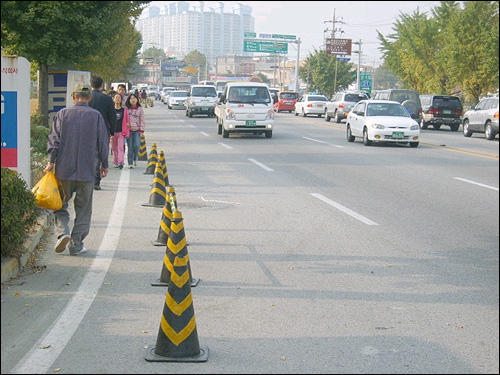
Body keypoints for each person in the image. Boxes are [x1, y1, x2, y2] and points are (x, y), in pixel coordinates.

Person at [46, 82, 109, 256]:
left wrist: (51, 161)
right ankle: (76, 244)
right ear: (89, 97)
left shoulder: (63, 114)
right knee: (84, 208)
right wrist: (104, 163)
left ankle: (62, 232)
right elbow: (103, 142)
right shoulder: (96, 116)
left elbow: (54, 140)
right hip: (87, 171)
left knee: (60, 205)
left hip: (63, 170)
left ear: (73, 96)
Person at [89, 75, 116, 190]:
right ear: (102, 85)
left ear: (91, 85)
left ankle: (87, 179)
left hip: (87, 129)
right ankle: (96, 181)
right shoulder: (107, 99)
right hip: (102, 129)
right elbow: (112, 116)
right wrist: (112, 131)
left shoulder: (87, 98)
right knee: (99, 154)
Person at [125, 93, 145, 169]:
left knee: (136, 146)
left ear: (137, 100)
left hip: (137, 130)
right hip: (129, 131)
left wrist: (142, 130)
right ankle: (130, 163)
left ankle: (135, 158)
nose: (132, 100)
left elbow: (142, 120)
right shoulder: (126, 109)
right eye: (131, 99)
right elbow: (124, 119)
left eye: (134, 98)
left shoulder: (140, 109)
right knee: (130, 147)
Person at [111, 93, 130, 169]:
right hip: (113, 132)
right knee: (114, 148)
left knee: (121, 147)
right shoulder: (111, 110)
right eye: (116, 97)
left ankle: (121, 162)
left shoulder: (124, 110)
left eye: (119, 98)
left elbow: (127, 121)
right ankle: (115, 161)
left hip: (121, 131)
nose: (117, 99)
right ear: (113, 99)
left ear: (122, 100)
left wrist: (128, 126)